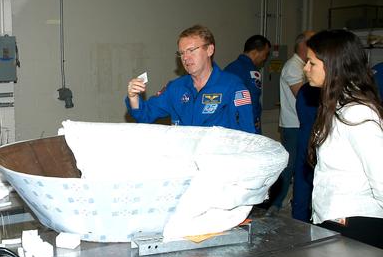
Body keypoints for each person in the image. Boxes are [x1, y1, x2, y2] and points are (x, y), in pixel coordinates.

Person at [305, 29, 383, 249]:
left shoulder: (358, 113)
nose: (306, 69)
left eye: (311, 63)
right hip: (333, 217)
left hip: (356, 223)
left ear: (332, 66)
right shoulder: (336, 106)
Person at [125, 24, 255, 133]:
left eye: (191, 50)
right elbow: (144, 115)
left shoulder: (232, 87)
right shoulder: (176, 88)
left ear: (209, 50)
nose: (185, 58)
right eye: (182, 53)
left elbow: (248, 135)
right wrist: (133, 96)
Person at [266, 30, 315, 215]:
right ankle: (276, 204)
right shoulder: (293, 67)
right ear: (305, 45)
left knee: (299, 167)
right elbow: (302, 97)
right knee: (291, 166)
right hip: (294, 125)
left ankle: (285, 203)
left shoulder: (301, 65)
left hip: (301, 124)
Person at [224, 35, 271, 133]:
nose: (265, 58)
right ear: (255, 52)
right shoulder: (252, 73)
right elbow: (252, 99)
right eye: (265, 54)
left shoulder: (229, 68)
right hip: (246, 125)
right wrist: (253, 121)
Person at [291, 83, 319, 222]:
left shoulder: (304, 89)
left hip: (305, 135)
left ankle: (298, 219)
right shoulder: (328, 91)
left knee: (302, 179)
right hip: (316, 137)